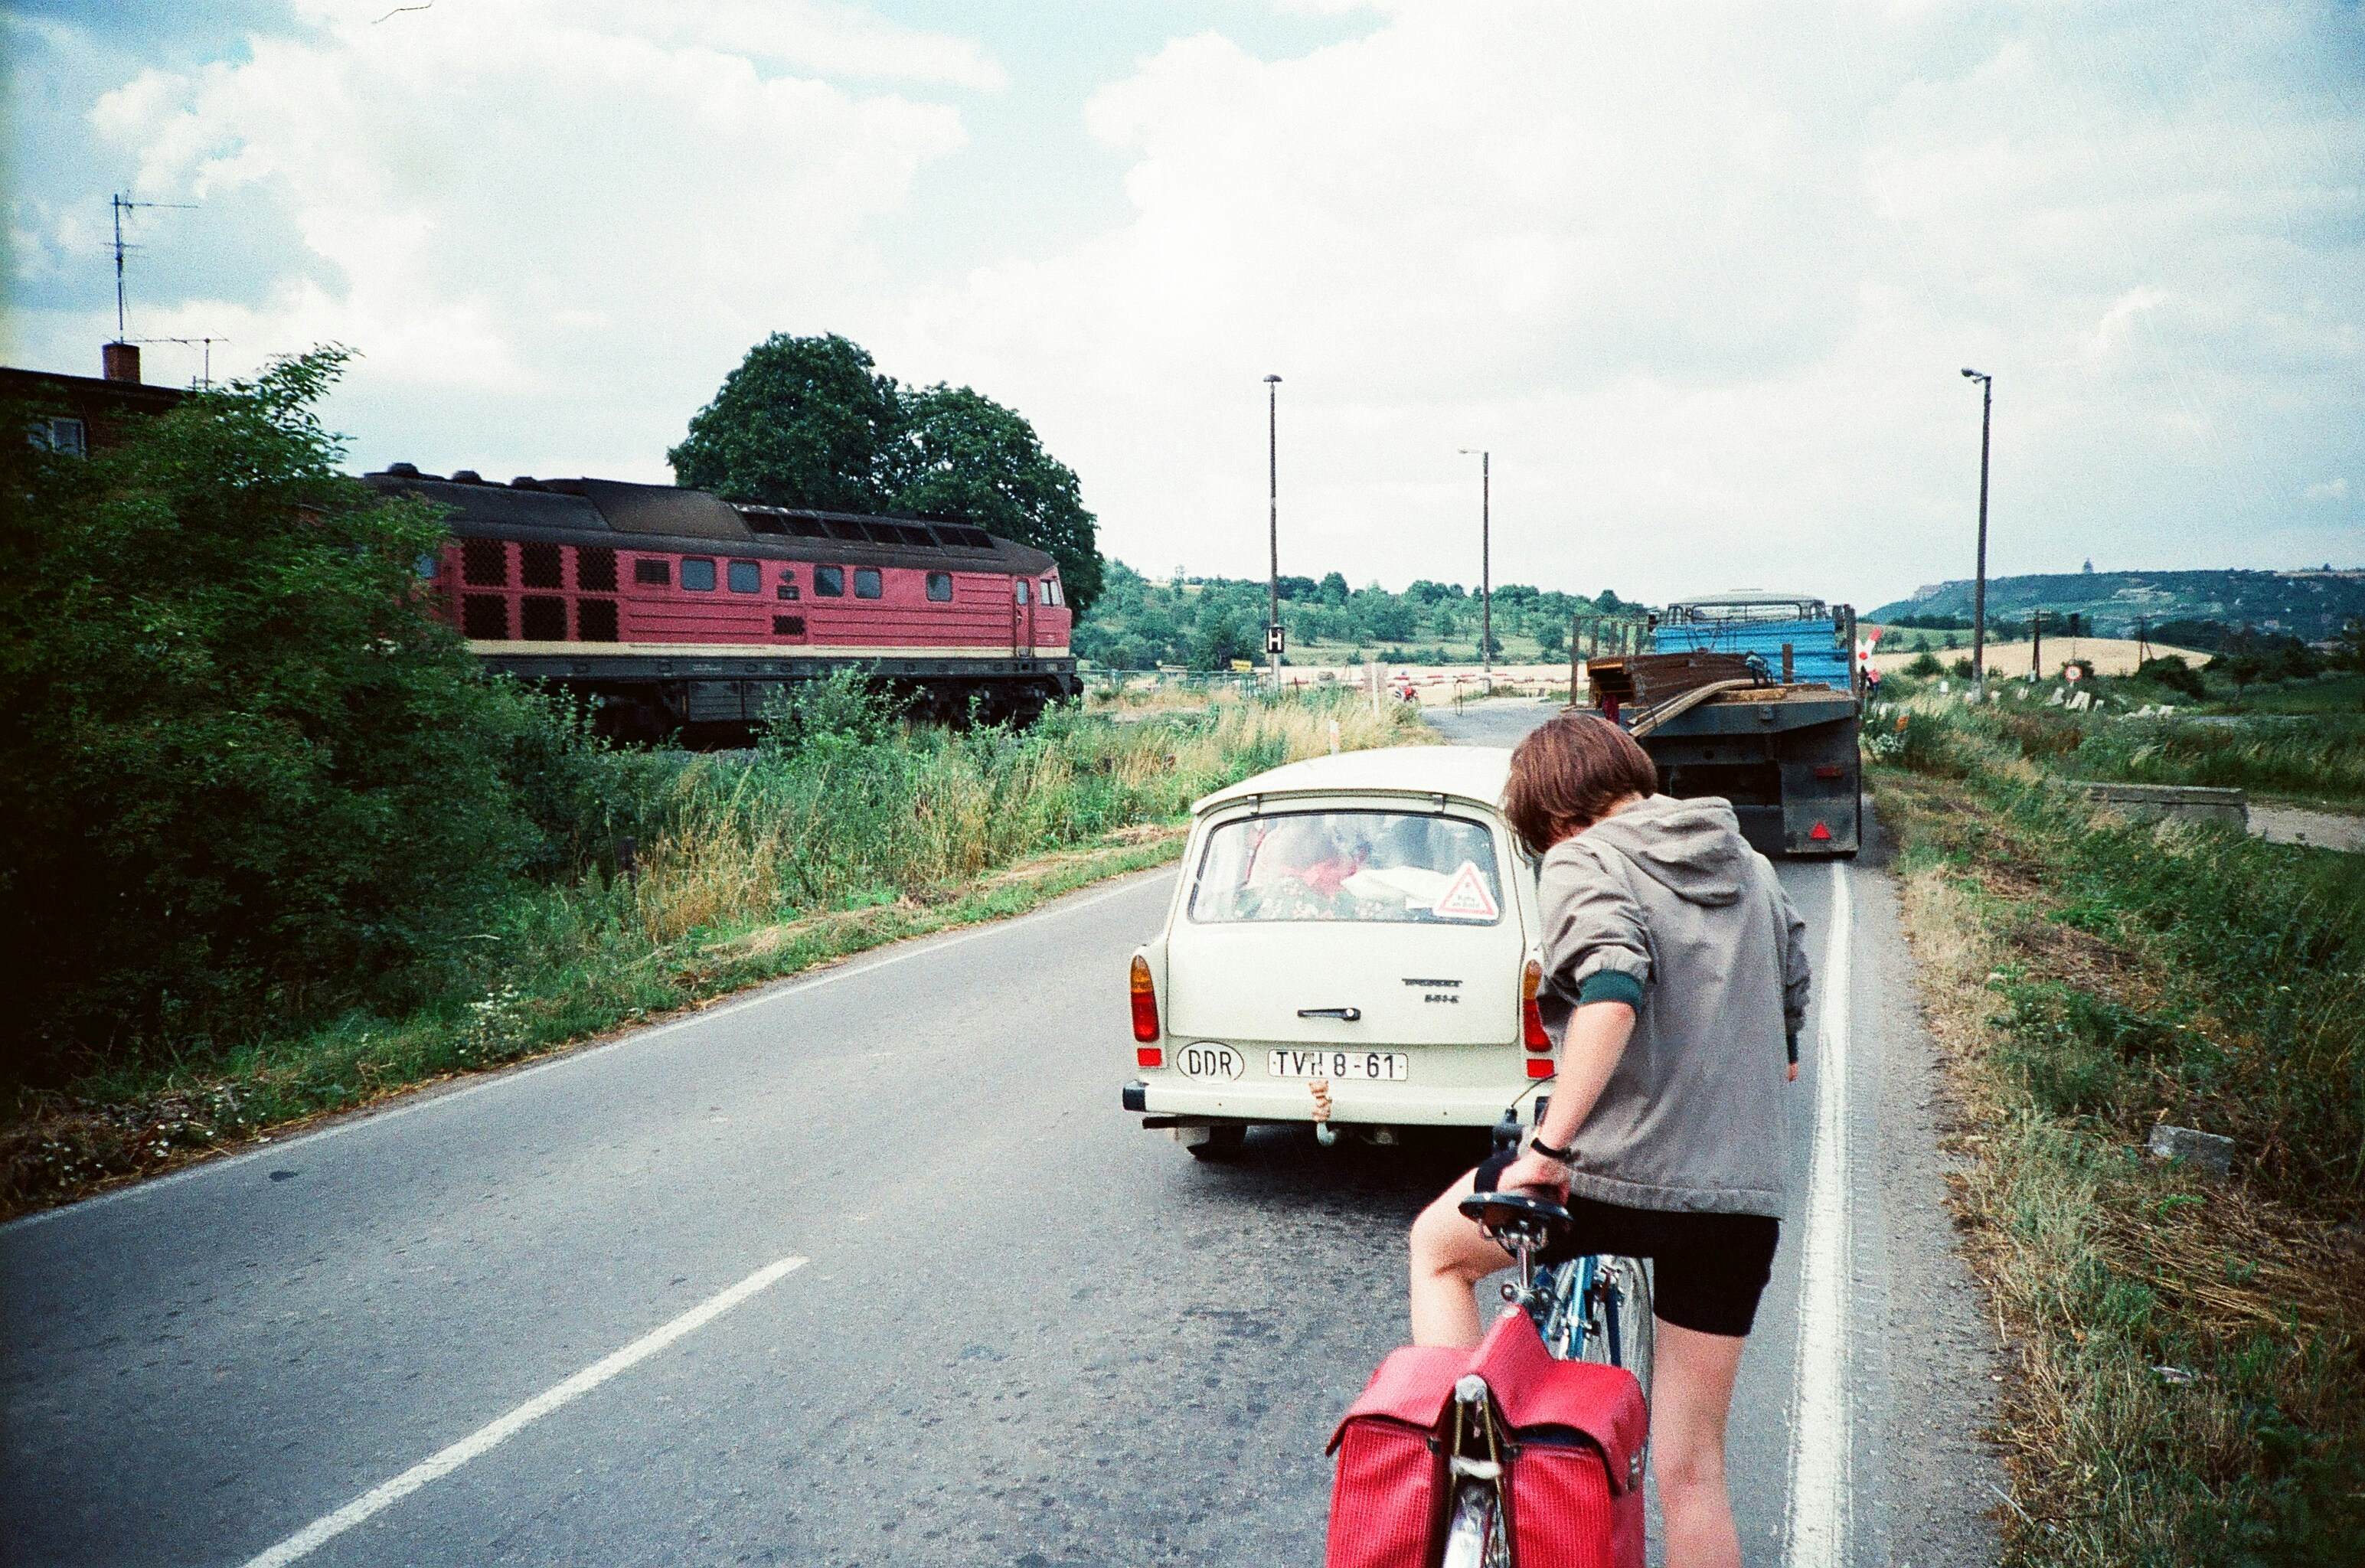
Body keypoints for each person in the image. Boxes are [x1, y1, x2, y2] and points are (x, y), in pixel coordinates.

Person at [1407, 714, 1809, 1568]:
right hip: (1738, 1202)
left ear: (1554, 819)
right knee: (1693, 1469)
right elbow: (1786, 1023)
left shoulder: (1583, 856)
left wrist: (1547, 1149)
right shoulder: (1752, 865)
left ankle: (1458, 1473)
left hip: (1612, 1177)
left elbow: (1613, 988)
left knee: (1436, 1248)